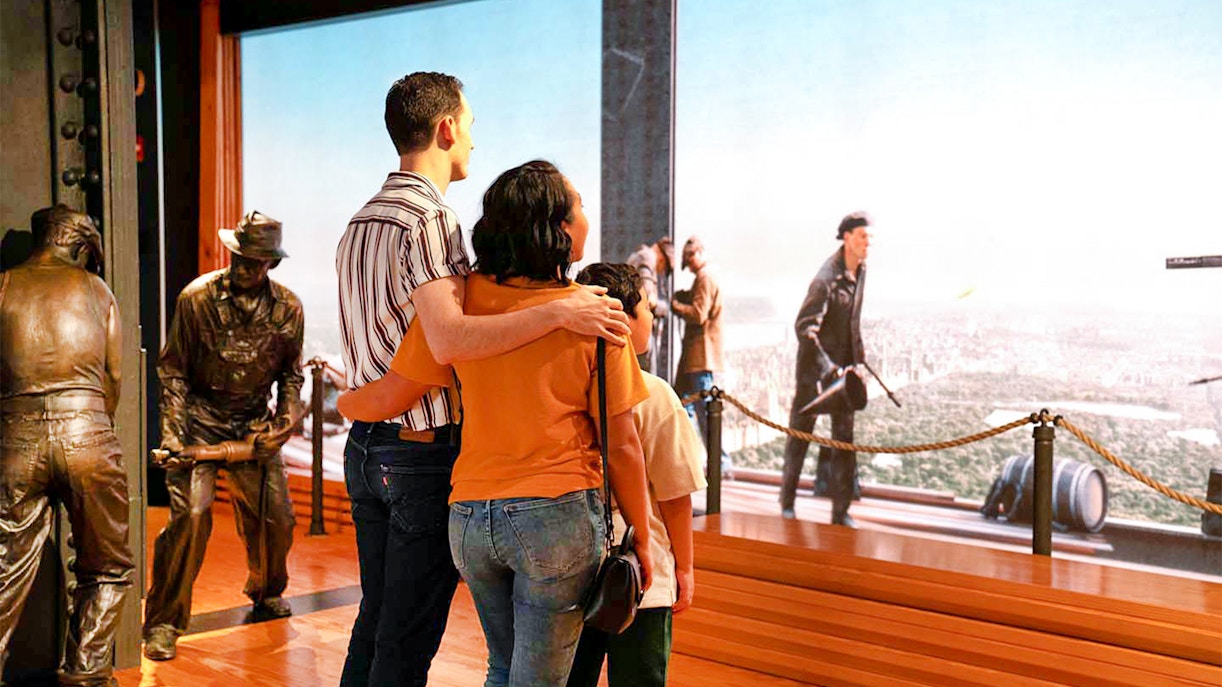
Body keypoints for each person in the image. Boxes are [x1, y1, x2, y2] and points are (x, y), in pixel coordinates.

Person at [335, 73, 630, 687]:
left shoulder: (360, 223)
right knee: (406, 641)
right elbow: (447, 341)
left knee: (376, 622)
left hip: (367, 447)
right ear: (446, 129)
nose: (473, 139)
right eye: (469, 126)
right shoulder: (430, 222)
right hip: (421, 453)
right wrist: (559, 309)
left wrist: (352, 404)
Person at [143, 210, 304, 660]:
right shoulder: (196, 299)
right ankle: (163, 622)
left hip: (254, 428)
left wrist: (284, 423)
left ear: (271, 264)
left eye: (255, 261)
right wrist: (175, 438)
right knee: (190, 518)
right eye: (239, 257)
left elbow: (292, 378)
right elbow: (172, 372)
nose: (245, 268)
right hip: (199, 424)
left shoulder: (288, 308)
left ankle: (266, 589)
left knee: (277, 521)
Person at [0, 206, 133, 686]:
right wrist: (93, 424)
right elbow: (113, 377)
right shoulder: (97, 290)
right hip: (90, 431)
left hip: (16, 436)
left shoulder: (5, 284)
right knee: (108, 565)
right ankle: (87, 674)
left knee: (5, 569)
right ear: (80, 246)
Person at [567, 263, 707, 687]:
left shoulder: (565, 388)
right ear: (622, 319)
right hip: (639, 573)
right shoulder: (655, 393)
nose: (650, 317)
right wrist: (685, 567)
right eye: (645, 307)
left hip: (569, 566)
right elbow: (675, 493)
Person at [779, 211, 872, 526]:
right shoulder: (826, 278)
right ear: (847, 238)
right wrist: (828, 368)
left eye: (869, 237)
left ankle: (841, 511)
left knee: (844, 441)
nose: (868, 243)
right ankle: (787, 504)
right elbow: (804, 328)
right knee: (800, 437)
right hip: (814, 374)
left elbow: (851, 322)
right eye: (862, 236)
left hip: (843, 375)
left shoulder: (860, 272)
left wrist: (856, 362)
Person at [671, 236, 732, 479]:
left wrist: (676, 306)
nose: (691, 264)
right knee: (683, 409)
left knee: (707, 415)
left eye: (692, 257)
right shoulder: (704, 278)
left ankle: (721, 465)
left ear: (700, 253)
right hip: (695, 358)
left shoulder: (706, 278)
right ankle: (689, 461)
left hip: (700, 357)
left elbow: (698, 314)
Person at [625, 237, 674, 376]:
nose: (661, 271)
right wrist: (664, 307)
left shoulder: (638, 256)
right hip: (641, 336)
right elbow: (647, 299)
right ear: (663, 259)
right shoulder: (648, 258)